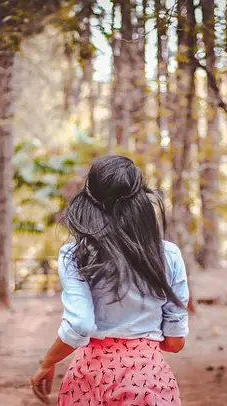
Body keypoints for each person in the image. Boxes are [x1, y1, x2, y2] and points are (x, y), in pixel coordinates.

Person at [30, 155, 190, 405]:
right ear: (141, 199)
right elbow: (175, 342)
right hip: (148, 380)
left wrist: (48, 362)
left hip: (89, 381)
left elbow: (80, 324)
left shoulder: (75, 254)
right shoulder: (168, 255)